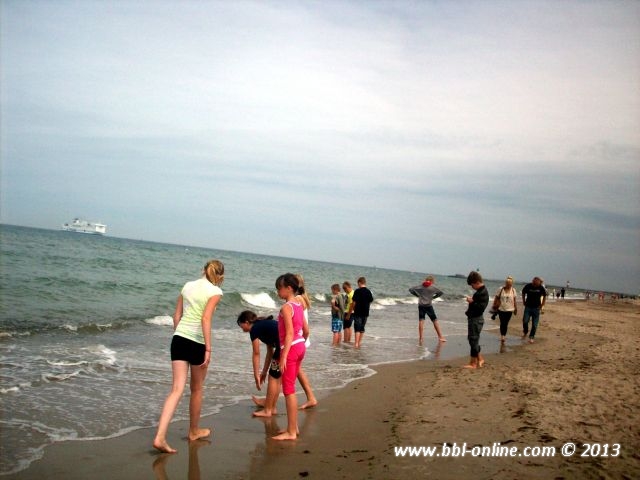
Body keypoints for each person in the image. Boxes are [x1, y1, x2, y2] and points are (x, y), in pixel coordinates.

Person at [153, 260, 224, 453]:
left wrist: (180, 334)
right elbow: (206, 318)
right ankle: (193, 431)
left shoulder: (187, 286)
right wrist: (208, 348)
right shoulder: (215, 292)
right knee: (197, 389)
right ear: (220, 276)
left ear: (203, 270)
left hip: (179, 339)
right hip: (197, 342)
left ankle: (160, 437)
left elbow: (176, 316)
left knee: (176, 389)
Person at [237, 310, 317, 416]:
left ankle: (268, 410)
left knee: (273, 378)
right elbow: (270, 352)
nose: (241, 328)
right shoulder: (262, 326)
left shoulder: (254, 329)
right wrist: (264, 372)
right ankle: (271, 406)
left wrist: (256, 374)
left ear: (247, 322)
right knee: (277, 376)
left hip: (285, 347)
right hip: (294, 345)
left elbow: (256, 353)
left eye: (241, 325)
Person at [272, 273, 307, 440]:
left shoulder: (286, 307)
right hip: (300, 346)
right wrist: (301, 343)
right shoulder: (299, 304)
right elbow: (306, 330)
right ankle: (294, 427)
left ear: (289, 288)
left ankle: (291, 432)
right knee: (290, 387)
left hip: (291, 348)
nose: (278, 292)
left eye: (279, 288)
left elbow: (289, 333)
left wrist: (284, 356)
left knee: (288, 390)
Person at [293, 274, 318, 410]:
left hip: (298, 338)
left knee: (284, 369)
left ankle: (269, 402)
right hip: (301, 338)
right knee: (296, 369)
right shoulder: (302, 298)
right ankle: (311, 397)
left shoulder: (297, 299)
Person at [409, 275, 446, 344]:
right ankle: (440, 337)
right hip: (429, 306)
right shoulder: (433, 288)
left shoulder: (420, 286)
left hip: (421, 306)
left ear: (426, 280)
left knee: (421, 321)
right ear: (432, 281)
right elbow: (441, 293)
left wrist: (417, 295)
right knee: (435, 321)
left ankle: (420, 338)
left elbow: (411, 290)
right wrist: (433, 297)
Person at [464, 271, 489, 369]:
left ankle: (473, 363)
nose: (472, 287)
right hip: (475, 319)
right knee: (472, 340)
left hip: (476, 319)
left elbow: (481, 308)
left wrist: (472, 302)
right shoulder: (481, 292)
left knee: (473, 340)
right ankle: (480, 358)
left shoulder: (482, 293)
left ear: (477, 282)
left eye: (472, 285)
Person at [346, 277, 374, 349]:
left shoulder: (357, 291)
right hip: (365, 312)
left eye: (357, 283)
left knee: (357, 328)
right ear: (365, 283)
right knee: (362, 328)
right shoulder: (368, 291)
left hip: (358, 312)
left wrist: (349, 313)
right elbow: (371, 300)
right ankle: (359, 343)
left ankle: (356, 344)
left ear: (359, 283)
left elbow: (353, 303)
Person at [491, 276, 518, 343]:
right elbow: (496, 297)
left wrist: (515, 308)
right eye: (507, 284)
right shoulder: (501, 289)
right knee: (502, 323)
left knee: (505, 323)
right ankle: (502, 336)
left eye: (510, 284)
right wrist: (494, 305)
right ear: (505, 283)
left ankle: (504, 335)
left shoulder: (513, 290)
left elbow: (514, 300)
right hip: (501, 309)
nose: (508, 285)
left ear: (511, 284)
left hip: (510, 309)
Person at [521, 276, 547, 343]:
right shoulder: (528, 286)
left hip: (536, 308)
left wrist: (542, 305)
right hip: (528, 307)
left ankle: (531, 337)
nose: (535, 285)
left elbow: (544, 296)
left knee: (534, 324)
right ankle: (525, 331)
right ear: (533, 281)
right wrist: (523, 301)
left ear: (539, 283)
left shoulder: (541, 287)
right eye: (534, 283)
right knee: (525, 321)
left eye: (536, 284)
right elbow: (523, 292)